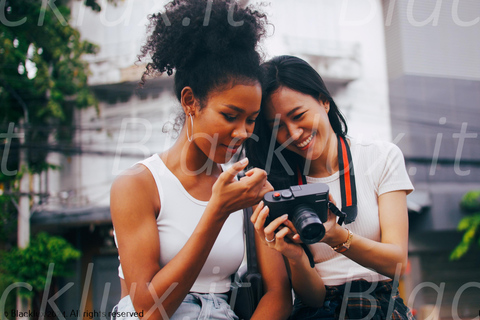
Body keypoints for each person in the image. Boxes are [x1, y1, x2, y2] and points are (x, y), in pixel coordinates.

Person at [109, 1, 280, 319]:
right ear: (190, 101)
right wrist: (217, 211)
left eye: (252, 119)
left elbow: (278, 294)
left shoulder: (245, 189)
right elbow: (148, 310)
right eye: (230, 115)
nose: (243, 132)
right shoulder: (138, 185)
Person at [246, 55, 415, 319]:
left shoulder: (380, 157)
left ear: (324, 101)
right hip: (319, 311)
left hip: (382, 304)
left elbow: (397, 262)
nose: (293, 133)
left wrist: (337, 237)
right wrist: (295, 257)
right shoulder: (278, 187)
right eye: (278, 127)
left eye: (298, 115)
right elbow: (313, 297)